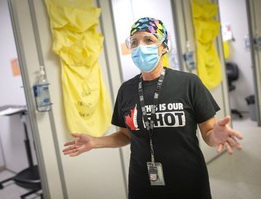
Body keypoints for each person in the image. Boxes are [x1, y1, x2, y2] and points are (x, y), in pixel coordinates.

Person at [62, 17, 243, 199]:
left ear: (164, 46)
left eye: (148, 40)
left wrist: (215, 136)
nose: (140, 46)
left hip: (188, 180)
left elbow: (208, 133)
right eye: (134, 42)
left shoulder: (189, 83)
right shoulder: (126, 90)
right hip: (143, 182)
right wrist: (95, 142)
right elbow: (125, 135)